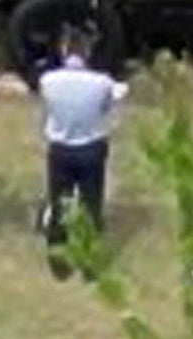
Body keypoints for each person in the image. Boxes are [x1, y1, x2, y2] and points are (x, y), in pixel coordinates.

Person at [38, 24, 128, 270]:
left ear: (64, 50)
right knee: (91, 204)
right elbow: (110, 104)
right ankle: (90, 262)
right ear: (87, 51)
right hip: (91, 147)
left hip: (60, 148)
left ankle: (58, 260)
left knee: (59, 202)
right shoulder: (101, 82)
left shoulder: (49, 80)